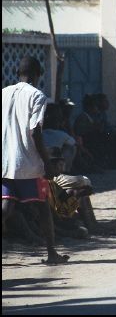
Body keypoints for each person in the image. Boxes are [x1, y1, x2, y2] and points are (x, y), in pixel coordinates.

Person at [2, 56, 69, 265]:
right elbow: (35, 131)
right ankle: (51, 253)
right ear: (37, 75)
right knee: (42, 206)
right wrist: (47, 163)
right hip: (28, 164)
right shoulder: (37, 96)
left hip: (4, 162)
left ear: (17, 74)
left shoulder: (3, 93)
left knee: (5, 208)